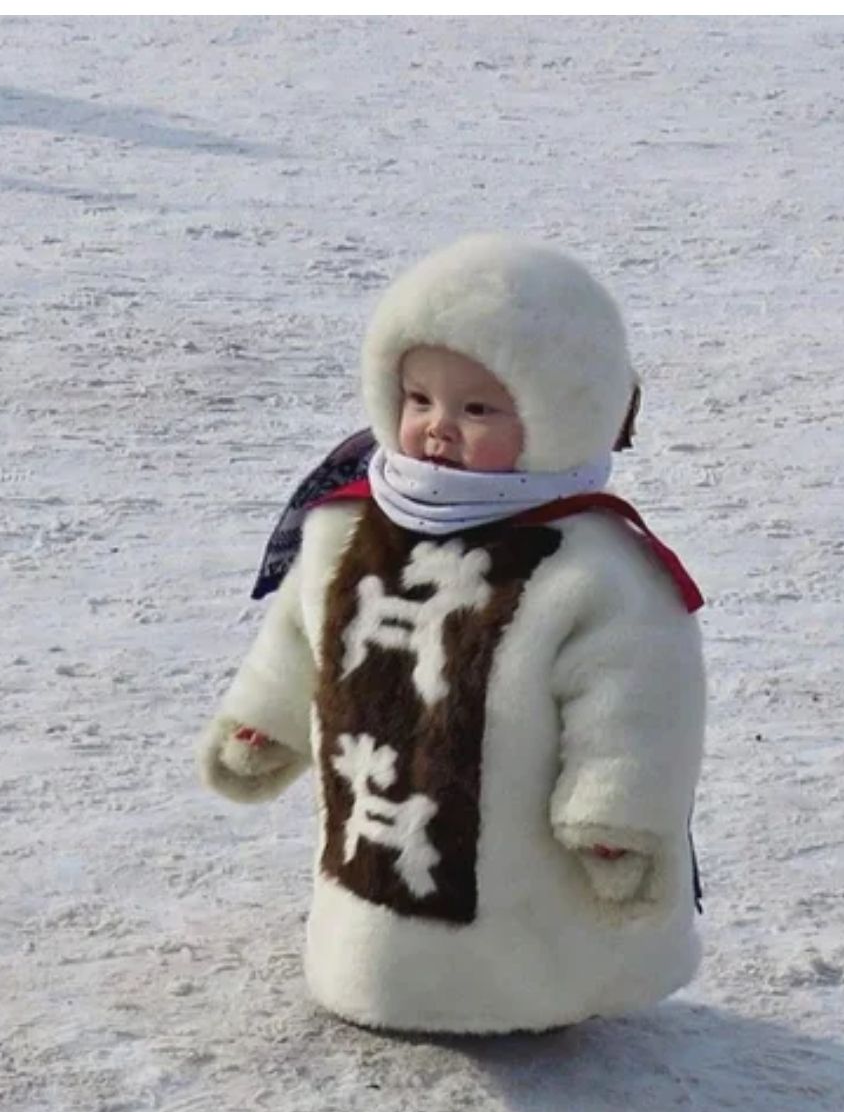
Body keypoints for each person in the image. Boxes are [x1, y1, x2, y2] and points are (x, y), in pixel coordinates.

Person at [196, 233, 706, 1034]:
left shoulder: (594, 571)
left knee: (499, 902)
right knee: (372, 882)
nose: (437, 428)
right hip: (375, 837)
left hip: (520, 914)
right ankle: (378, 978)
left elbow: (639, 705)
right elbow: (302, 634)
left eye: (477, 408)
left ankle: (521, 1001)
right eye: (419, 399)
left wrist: (616, 816)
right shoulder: (351, 526)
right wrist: (265, 718)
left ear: (558, 410)